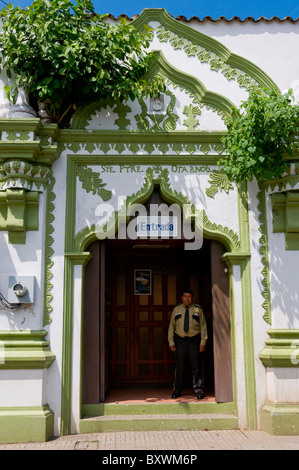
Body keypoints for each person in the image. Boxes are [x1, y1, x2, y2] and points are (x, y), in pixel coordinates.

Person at [168, 289, 207, 399]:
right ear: (182, 298)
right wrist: (171, 341)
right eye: (185, 296)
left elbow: (203, 327)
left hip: (194, 341)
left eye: (189, 296)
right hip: (180, 341)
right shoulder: (177, 309)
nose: (187, 298)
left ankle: (199, 390)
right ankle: (177, 389)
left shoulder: (198, 310)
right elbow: (172, 326)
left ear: (192, 298)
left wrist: (203, 342)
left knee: (196, 366)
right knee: (179, 366)